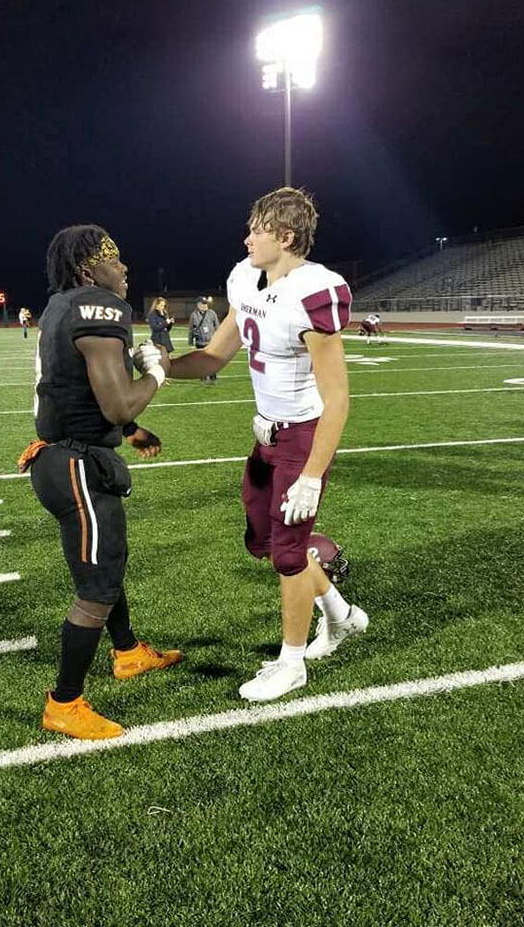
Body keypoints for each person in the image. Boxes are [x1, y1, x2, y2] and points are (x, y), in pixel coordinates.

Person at [169, 188, 368, 702]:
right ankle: (341, 615)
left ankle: (292, 663)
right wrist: (162, 367)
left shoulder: (312, 292)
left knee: (287, 553)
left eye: (257, 229)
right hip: (266, 433)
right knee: (262, 541)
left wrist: (310, 475)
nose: (247, 237)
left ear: (285, 236)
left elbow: (338, 397)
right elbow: (213, 357)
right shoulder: (246, 281)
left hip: (302, 435)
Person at [18, 224, 182, 740]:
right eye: (114, 259)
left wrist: (128, 431)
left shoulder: (63, 302)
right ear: (90, 269)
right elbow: (115, 400)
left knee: (107, 560)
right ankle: (64, 702)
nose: (124, 268)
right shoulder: (97, 304)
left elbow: (73, 387)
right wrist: (156, 372)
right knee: (98, 582)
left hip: (65, 456)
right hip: (74, 466)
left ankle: (129, 651)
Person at [188, 295, 220, 381]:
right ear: (198, 305)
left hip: (211, 342)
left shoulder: (212, 313)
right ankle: (203, 377)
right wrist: (190, 343)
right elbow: (191, 330)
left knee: (212, 361)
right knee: (201, 361)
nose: (205, 306)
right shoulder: (194, 315)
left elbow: (217, 327)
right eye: (203, 304)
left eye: (206, 304)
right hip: (200, 342)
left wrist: (218, 340)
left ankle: (213, 377)